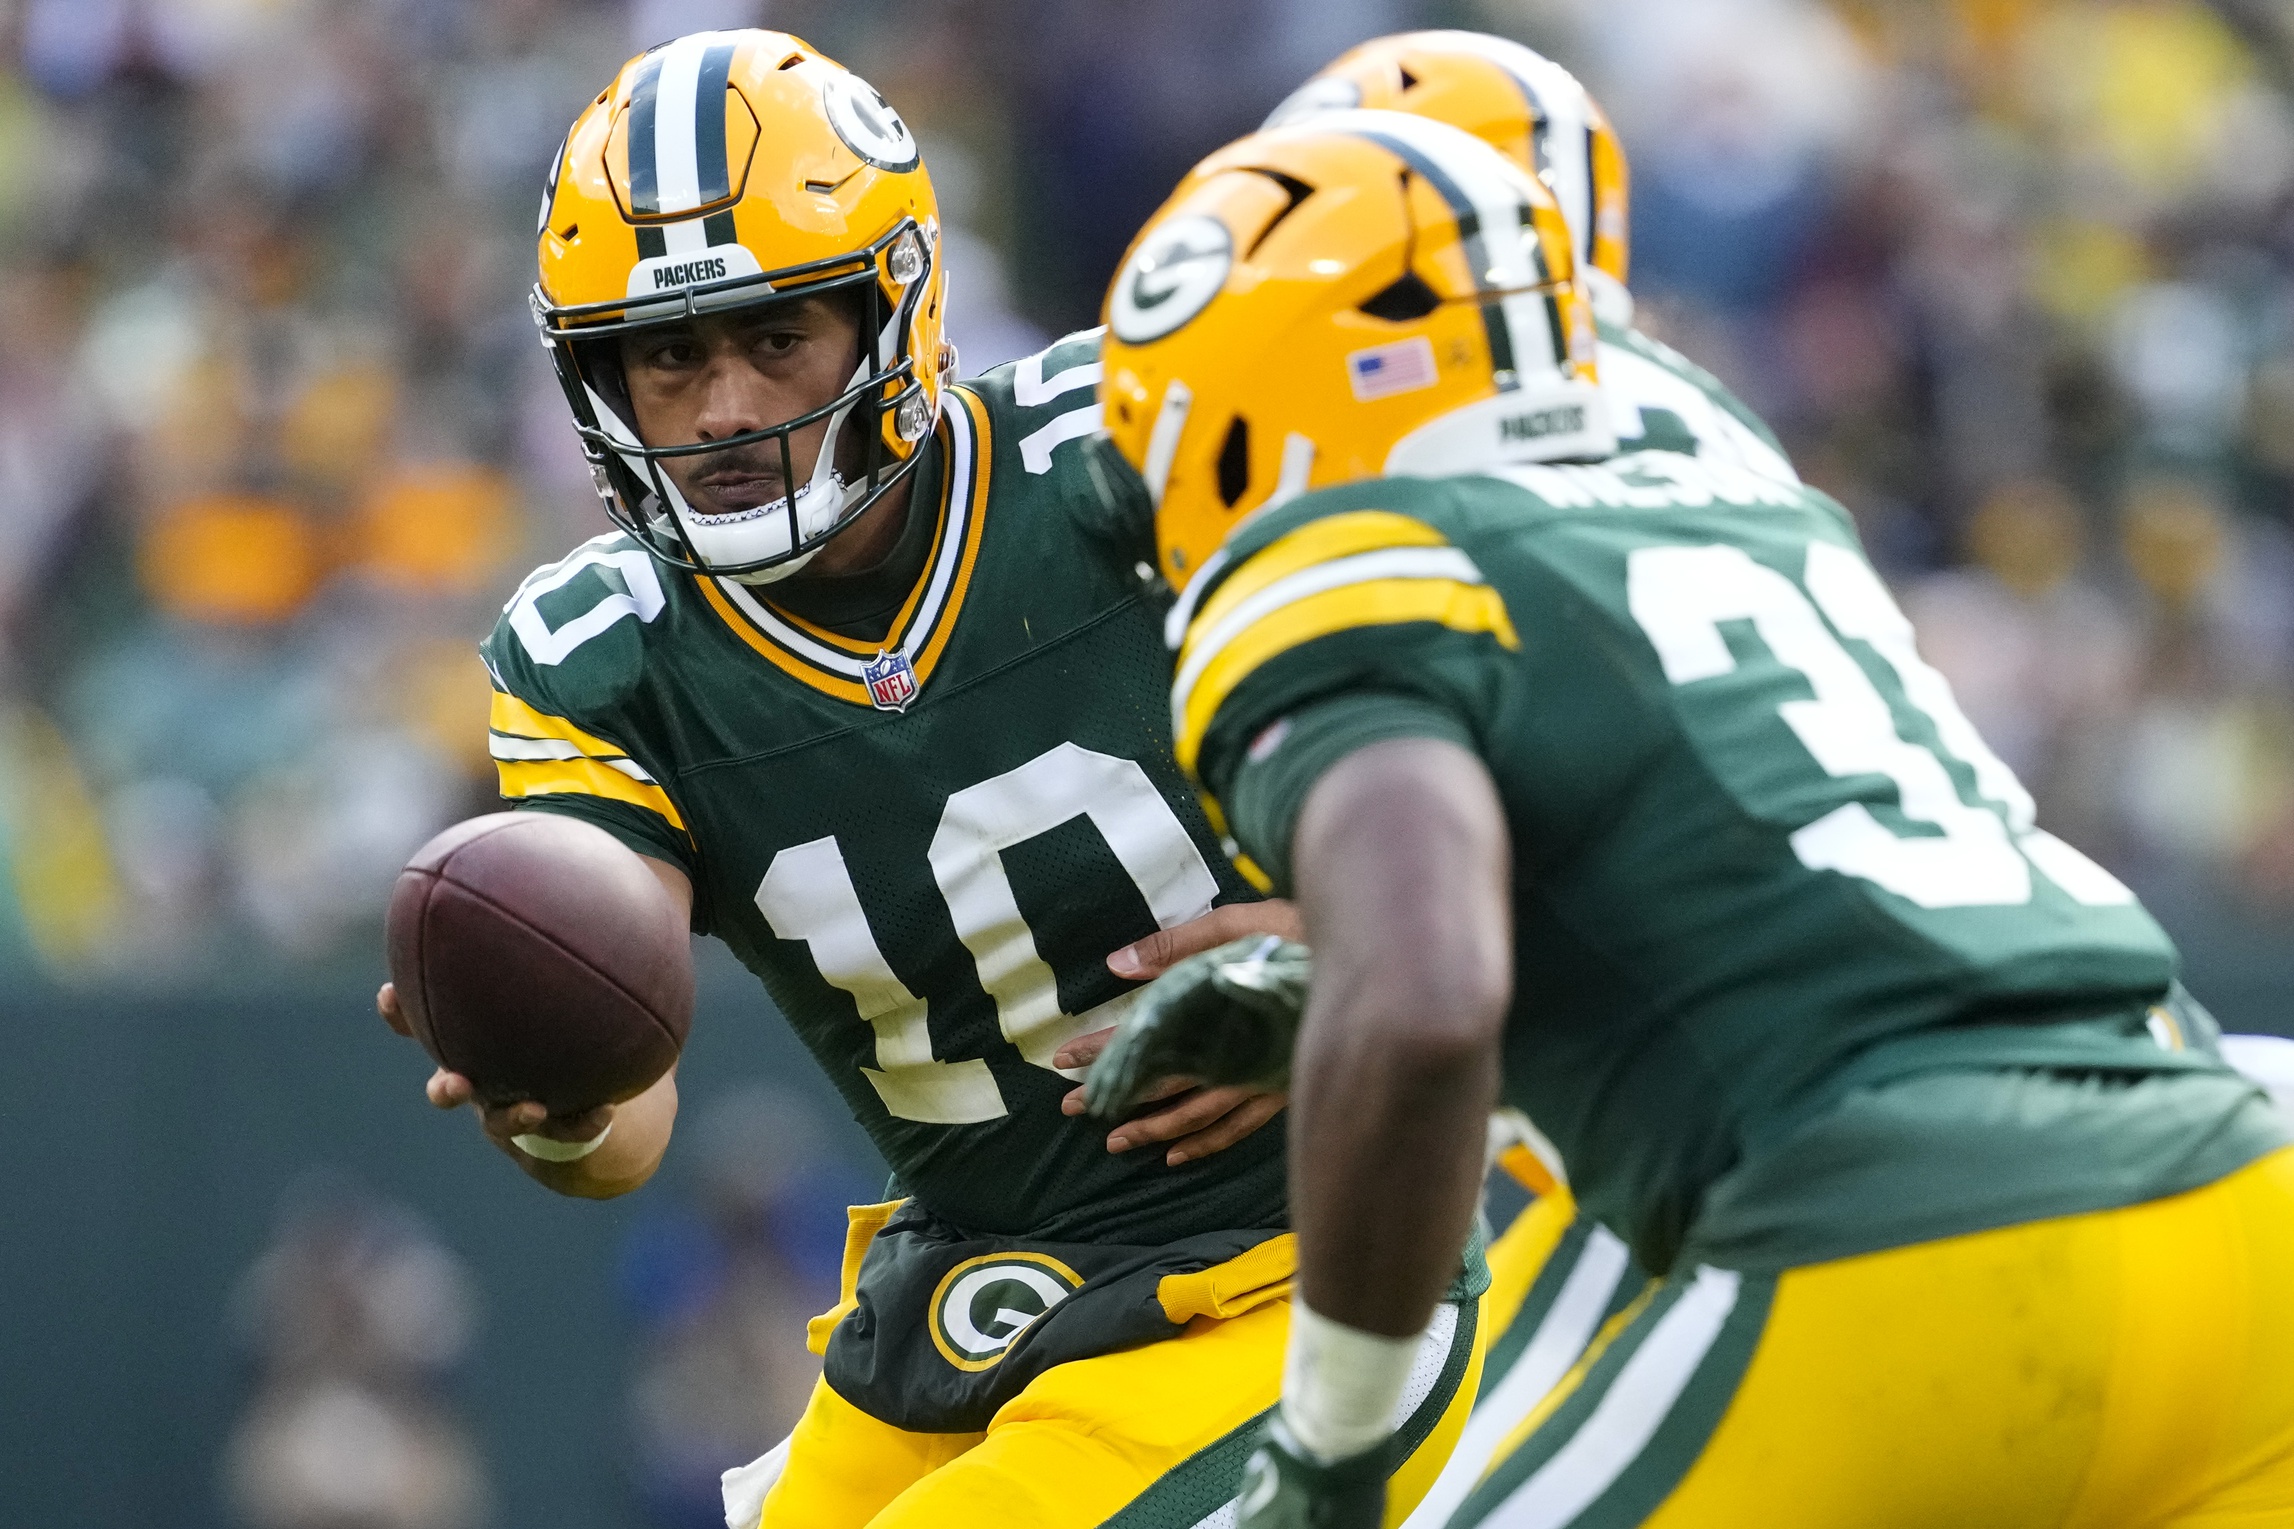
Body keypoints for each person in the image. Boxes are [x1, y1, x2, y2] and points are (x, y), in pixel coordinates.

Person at [1089, 110, 2294, 1527]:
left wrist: (1329, 1449)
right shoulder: (1742, 507)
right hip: (2230, 1215)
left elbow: (1424, 1006)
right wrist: (1340, 967)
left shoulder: (1343, 558)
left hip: (1917, 1245)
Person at [372, 31, 1491, 1529]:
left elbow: (1528, 726)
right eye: (669, 354)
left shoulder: (1135, 449)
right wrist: (550, 1088)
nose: (718, 409)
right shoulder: (597, 654)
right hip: (978, 1290)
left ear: (894, 305)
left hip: (1301, 1253)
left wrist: (1360, 942)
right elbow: (624, 1105)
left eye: (776, 338)